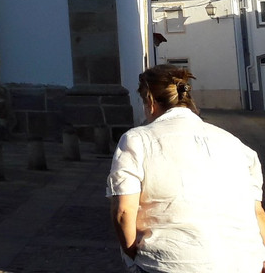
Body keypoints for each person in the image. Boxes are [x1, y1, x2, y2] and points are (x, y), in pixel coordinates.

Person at [107, 64, 265, 272]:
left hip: (173, 263)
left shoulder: (136, 140)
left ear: (151, 102)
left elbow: (123, 211)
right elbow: (257, 213)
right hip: (245, 262)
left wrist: (133, 254)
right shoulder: (237, 145)